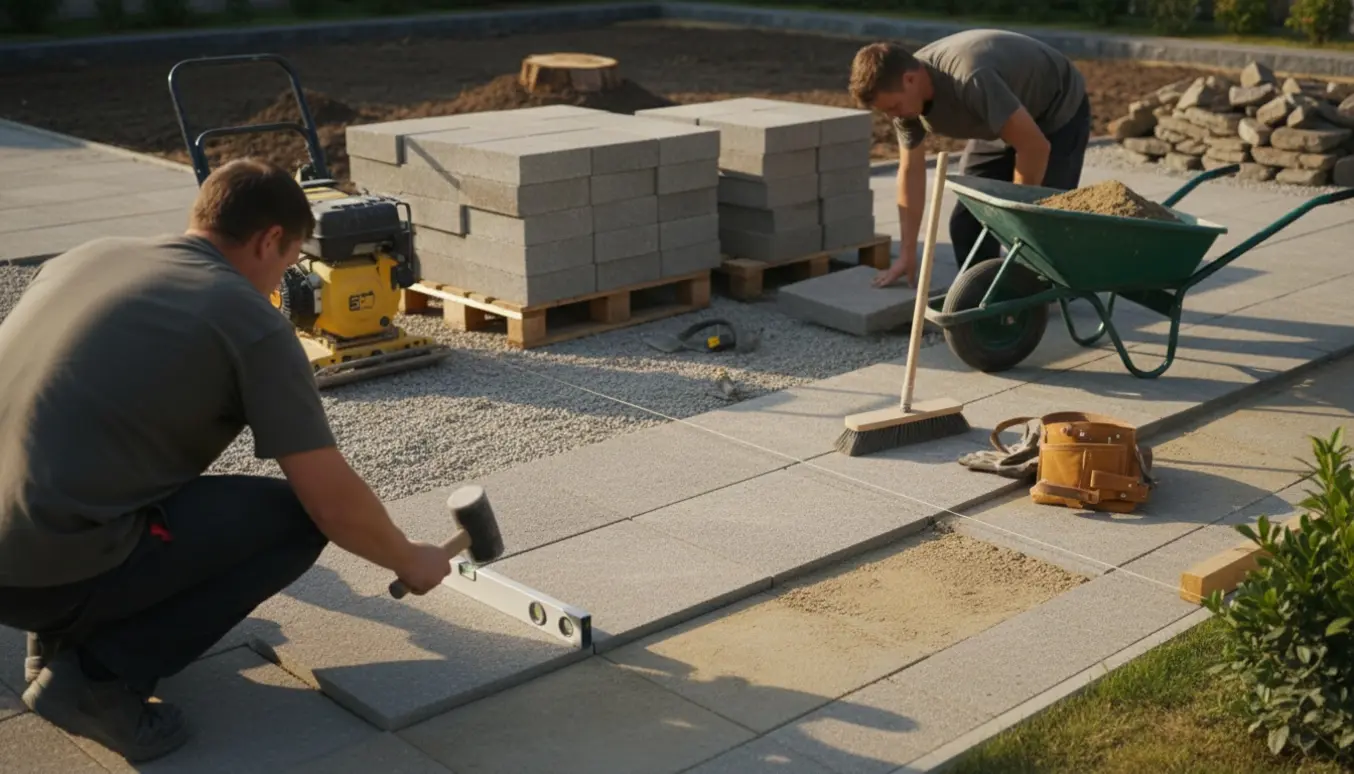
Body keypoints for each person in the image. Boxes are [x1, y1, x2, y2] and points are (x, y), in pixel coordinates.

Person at [0, 158, 455, 763]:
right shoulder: (249, 321)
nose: (283, 280)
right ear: (271, 239)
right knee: (293, 520)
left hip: (18, 553)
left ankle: (61, 637)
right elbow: (332, 504)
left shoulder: (88, 256)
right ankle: (99, 681)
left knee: (116, 473)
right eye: (291, 261)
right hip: (43, 571)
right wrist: (409, 558)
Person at [848, 30, 1091, 288]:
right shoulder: (906, 99)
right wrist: (908, 254)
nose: (892, 117)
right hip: (996, 117)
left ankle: (1048, 291)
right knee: (967, 222)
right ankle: (985, 292)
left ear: (910, 79)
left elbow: (1034, 147)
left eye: (893, 107)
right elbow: (911, 172)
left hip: (1055, 112)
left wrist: (1017, 222)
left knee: (1043, 225)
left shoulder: (970, 78)